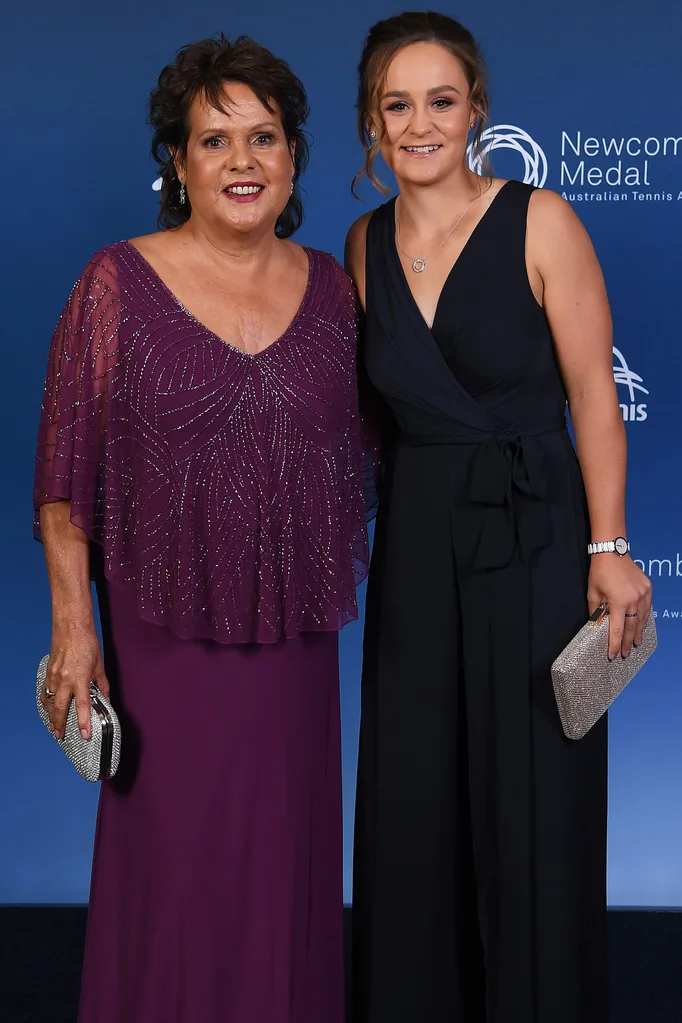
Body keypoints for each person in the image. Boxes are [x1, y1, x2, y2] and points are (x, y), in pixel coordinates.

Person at [34, 34, 368, 1023]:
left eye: (264, 137)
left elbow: (386, 442)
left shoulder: (335, 289)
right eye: (214, 140)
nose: (242, 161)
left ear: (293, 156)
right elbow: (63, 480)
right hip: (159, 635)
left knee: (284, 859)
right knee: (174, 867)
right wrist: (73, 629)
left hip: (294, 636)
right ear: (177, 163)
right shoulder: (114, 282)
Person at [345, 12, 652, 1023]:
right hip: (416, 539)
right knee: (416, 787)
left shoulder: (542, 219)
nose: (420, 124)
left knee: (534, 792)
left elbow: (594, 395)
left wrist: (610, 546)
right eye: (397, 105)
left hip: (532, 531)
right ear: (372, 122)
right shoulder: (361, 245)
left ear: (475, 109)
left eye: (440, 101)